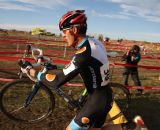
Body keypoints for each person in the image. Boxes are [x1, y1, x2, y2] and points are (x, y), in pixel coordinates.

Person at [20, 10, 139, 130]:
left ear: (74, 30)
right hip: (105, 95)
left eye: (65, 32)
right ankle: (133, 126)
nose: (63, 35)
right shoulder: (95, 42)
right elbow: (85, 64)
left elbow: (56, 81)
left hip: (97, 100)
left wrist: (31, 70)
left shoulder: (83, 54)